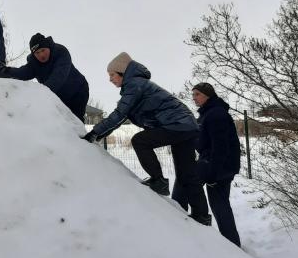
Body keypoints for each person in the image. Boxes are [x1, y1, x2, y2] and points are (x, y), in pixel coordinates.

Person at [82, 53, 211, 225]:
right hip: (185, 126)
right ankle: (201, 215)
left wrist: (94, 133)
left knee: (140, 141)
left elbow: (120, 114)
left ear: (121, 72)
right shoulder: (138, 84)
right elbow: (122, 117)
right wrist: (99, 134)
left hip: (177, 125)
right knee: (186, 174)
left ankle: (158, 181)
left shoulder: (134, 84)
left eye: (112, 74)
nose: (110, 79)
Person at [192, 83, 241, 247]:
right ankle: (231, 244)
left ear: (208, 95)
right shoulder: (208, 113)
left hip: (220, 167)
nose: (194, 98)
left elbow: (221, 147)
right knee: (220, 206)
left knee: (220, 206)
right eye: (193, 95)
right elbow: (205, 143)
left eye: (197, 94)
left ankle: (232, 246)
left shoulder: (215, 115)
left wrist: (213, 174)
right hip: (216, 165)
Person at [0, 33, 89, 121]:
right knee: (61, 125)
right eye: (37, 53)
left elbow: (58, 77)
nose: (41, 55)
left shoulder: (61, 52)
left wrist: (40, 94)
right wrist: (6, 71)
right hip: (59, 97)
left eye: (43, 50)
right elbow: (23, 73)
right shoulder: (34, 63)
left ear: (48, 47)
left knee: (75, 123)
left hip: (78, 91)